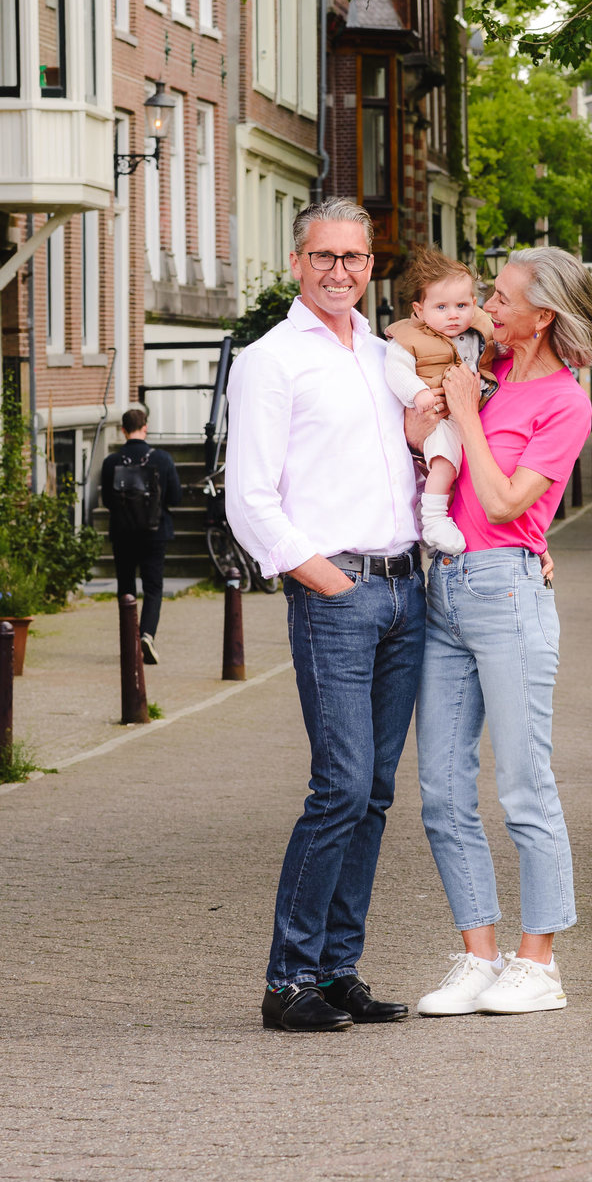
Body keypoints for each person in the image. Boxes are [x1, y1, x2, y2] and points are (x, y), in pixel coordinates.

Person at [225, 197, 434, 1036]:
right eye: (325, 257)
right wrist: (326, 580)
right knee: (340, 786)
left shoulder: (387, 357)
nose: (340, 271)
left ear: (371, 264)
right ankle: (289, 979)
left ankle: (339, 969)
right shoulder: (272, 361)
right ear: (297, 260)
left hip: (404, 589)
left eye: (354, 258)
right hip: (340, 594)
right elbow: (249, 499)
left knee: (378, 792)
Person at [415, 248, 592, 1019]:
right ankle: (479, 955)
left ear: (544, 315)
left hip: (508, 596)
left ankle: (541, 962)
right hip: (446, 592)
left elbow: (501, 504)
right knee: (439, 790)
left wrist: (465, 411)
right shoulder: (486, 376)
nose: (488, 307)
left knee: (525, 786)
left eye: (500, 298)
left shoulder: (565, 403)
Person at [383, 248, 498, 555]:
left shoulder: (478, 332)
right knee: (446, 463)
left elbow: (494, 356)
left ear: (474, 304)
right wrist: (416, 393)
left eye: (462, 305)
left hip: (469, 414)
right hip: (437, 415)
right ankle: (433, 518)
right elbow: (396, 368)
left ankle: (441, 532)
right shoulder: (408, 336)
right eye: (441, 307)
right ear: (419, 311)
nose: (453, 314)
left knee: (469, 471)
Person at [100, 406, 182, 666]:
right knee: (153, 587)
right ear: (145, 427)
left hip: (123, 533)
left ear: (123, 430)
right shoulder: (163, 459)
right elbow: (175, 498)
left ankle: (128, 642)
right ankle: (146, 634)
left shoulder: (111, 461)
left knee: (125, 587)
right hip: (155, 533)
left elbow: (107, 501)